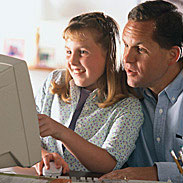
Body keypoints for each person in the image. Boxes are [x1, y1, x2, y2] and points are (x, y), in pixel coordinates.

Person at [35, 12, 144, 175]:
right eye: (68, 52)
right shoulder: (54, 81)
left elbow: (108, 164)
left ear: (108, 55)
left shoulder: (128, 107)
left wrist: (61, 132)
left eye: (83, 52)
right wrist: (44, 156)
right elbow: (27, 134)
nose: (72, 62)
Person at [100, 0, 183, 182]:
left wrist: (156, 173)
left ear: (173, 55)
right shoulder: (121, 89)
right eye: (126, 45)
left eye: (140, 49)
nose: (127, 59)